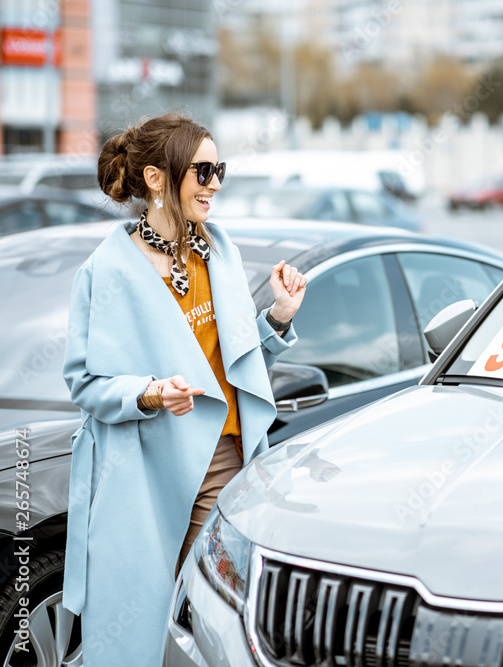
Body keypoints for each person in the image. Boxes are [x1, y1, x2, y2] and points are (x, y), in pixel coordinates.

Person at [61, 112, 307, 665]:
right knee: (148, 626)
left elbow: (237, 363)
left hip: (232, 461)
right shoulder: (109, 271)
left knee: (222, 623)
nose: (215, 182)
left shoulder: (218, 251)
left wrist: (279, 318)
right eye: (203, 170)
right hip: (152, 474)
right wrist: (150, 394)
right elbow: (84, 381)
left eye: (219, 169)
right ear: (155, 178)